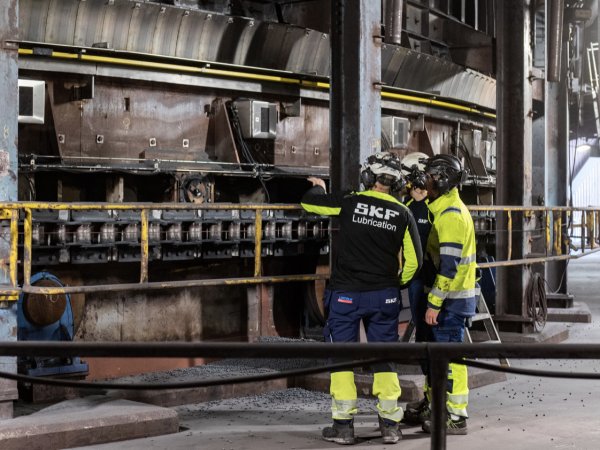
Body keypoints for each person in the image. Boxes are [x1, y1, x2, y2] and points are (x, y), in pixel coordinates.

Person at [301, 151, 422, 445]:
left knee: (342, 356)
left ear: (368, 177)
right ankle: (390, 426)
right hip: (384, 296)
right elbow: (414, 262)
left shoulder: (350, 201)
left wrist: (319, 187)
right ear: (395, 183)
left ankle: (344, 427)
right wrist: (395, 283)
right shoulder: (403, 212)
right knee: (384, 356)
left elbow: (309, 203)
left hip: (346, 295)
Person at [405, 153, 477, 435]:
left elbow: (449, 268)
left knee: (451, 358)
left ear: (444, 180)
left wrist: (434, 304)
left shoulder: (451, 216)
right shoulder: (441, 208)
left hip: (452, 301)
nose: (426, 181)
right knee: (434, 355)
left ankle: (456, 416)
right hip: (447, 299)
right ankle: (434, 404)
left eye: (431, 176)